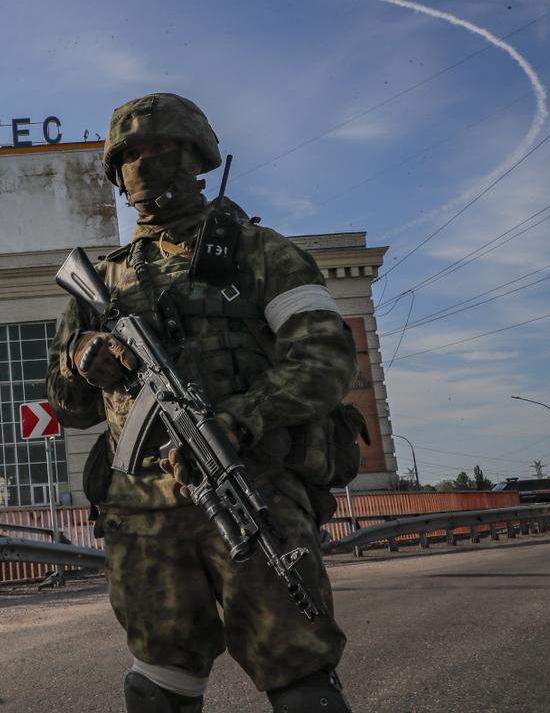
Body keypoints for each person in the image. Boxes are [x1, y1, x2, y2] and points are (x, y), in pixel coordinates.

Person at [47, 93, 361, 712]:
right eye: (128, 155)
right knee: (160, 683)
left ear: (195, 156)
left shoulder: (259, 252)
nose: (141, 164)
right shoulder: (99, 281)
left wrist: (241, 419)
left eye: (157, 149)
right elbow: (67, 406)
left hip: (251, 487)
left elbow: (326, 359)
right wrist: (84, 358)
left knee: (299, 674)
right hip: (142, 516)